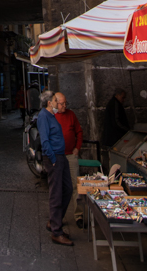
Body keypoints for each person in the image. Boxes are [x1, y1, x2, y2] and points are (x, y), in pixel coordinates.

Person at [36, 90, 74, 246]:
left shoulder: (52, 116)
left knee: (68, 189)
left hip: (61, 156)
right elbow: (45, 140)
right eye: (55, 100)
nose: (58, 104)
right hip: (54, 158)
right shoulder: (43, 116)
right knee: (56, 193)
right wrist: (52, 159)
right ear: (49, 102)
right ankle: (56, 231)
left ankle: (54, 220)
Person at [54, 92, 85, 228]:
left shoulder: (71, 114)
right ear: (55, 103)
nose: (65, 106)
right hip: (58, 156)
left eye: (66, 103)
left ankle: (78, 215)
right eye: (62, 104)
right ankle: (58, 217)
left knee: (75, 185)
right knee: (59, 187)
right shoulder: (52, 116)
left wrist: (77, 147)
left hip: (71, 155)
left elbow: (79, 131)